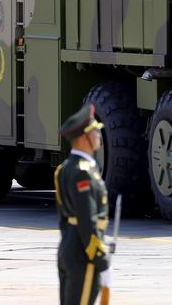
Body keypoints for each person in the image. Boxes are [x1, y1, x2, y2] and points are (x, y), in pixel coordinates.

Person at [55, 104, 111, 305]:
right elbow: (87, 220)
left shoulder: (64, 169)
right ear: (84, 137)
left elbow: (64, 219)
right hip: (83, 252)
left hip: (68, 246)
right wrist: (100, 258)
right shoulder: (83, 172)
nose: (98, 134)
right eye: (95, 130)